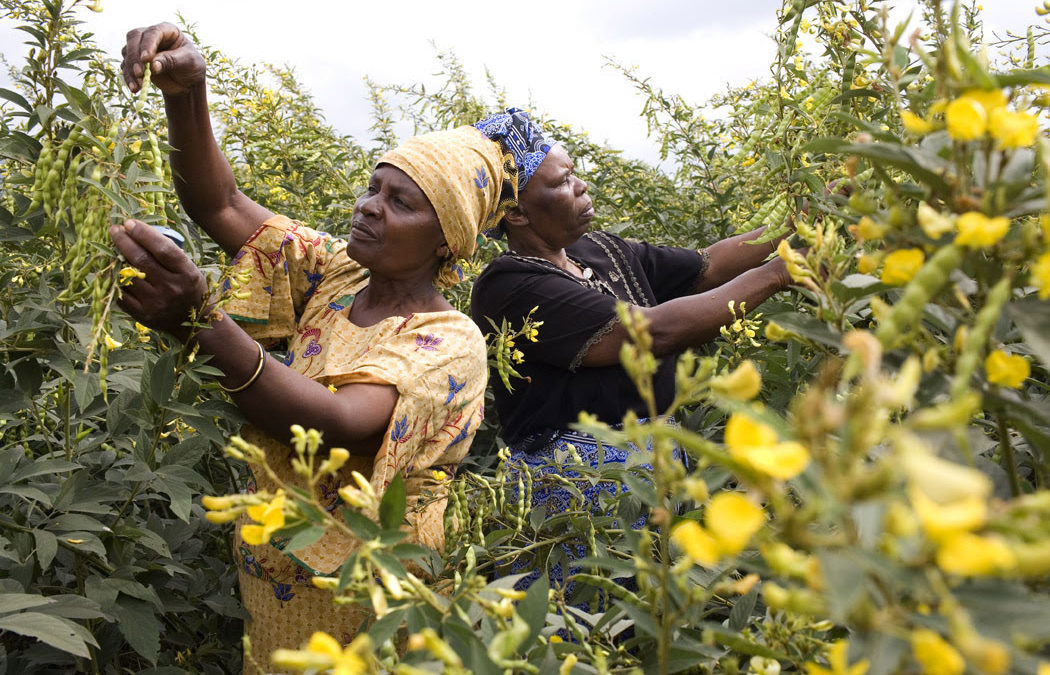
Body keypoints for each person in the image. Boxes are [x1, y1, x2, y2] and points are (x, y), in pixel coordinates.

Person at [115, 24, 513, 672]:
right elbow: (219, 203)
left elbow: (335, 422)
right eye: (372, 188)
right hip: (273, 583)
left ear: (447, 240)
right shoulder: (339, 271)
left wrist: (200, 321)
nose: (368, 208)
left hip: (368, 603)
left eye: (400, 202)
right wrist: (188, 93)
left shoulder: (449, 341)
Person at [470, 109, 797, 584]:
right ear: (516, 212)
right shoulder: (509, 285)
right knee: (588, 634)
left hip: (654, 475)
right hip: (578, 498)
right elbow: (648, 335)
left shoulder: (598, 251)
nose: (580, 186)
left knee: (659, 622)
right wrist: (779, 272)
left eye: (574, 173)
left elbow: (708, 266)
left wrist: (799, 223)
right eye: (562, 182)